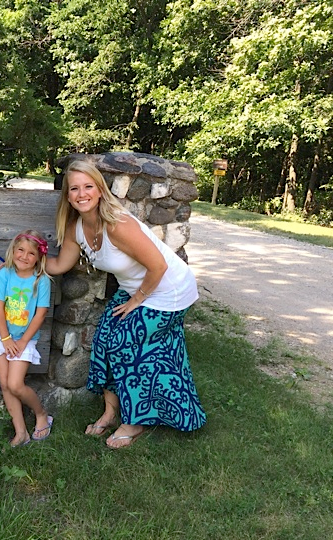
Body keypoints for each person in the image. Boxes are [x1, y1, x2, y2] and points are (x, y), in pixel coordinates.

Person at [46, 159, 206, 449]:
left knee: (125, 343)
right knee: (105, 339)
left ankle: (135, 422)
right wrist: (26, 262)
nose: (82, 194)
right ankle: (110, 412)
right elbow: (59, 265)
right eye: (74, 188)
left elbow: (158, 266)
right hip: (138, 288)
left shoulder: (117, 224)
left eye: (88, 187)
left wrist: (137, 300)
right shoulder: (76, 228)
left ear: (99, 190)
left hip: (169, 289)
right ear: (67, 195)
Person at [0, 230, 54, 447]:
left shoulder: (41, 281)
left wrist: (22, 341)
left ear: (39, 257)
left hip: (25, 338)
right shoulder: (5, 274)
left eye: (31, 253)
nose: (24, 256)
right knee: (5, 384)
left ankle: (41, 414)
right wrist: (5, 338)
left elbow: (40, 314)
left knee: (15, 384)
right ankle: (21, 432)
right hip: (2, 334)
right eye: (20, 250)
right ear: (13, 250)